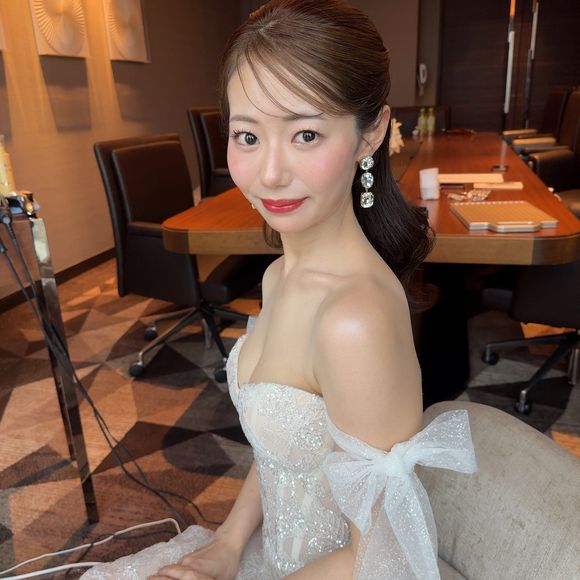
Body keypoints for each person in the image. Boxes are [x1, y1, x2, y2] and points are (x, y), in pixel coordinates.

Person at [83, 1, 476, 578]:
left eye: (306, 134)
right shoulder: (278, 274)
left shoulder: (355, 319)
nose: (269, 173)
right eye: (247, 135)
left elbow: (384, 556)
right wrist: (227, 542)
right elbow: (285, 452)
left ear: (370, 134)